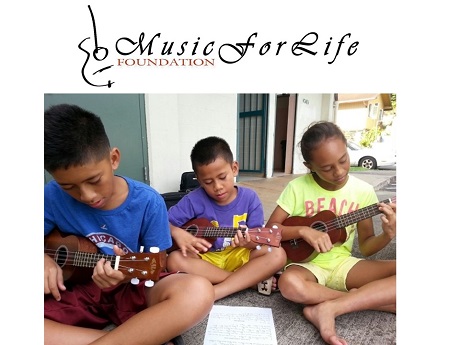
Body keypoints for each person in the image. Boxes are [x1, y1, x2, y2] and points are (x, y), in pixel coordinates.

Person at [44, 104, 214, 345]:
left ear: (113, 159)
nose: (87, 195)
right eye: (68, 187)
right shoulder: (50, 196)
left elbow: (158, 264)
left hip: (130, 284)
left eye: (94, 180)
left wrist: (123, 275)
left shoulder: (147, 201)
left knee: (197, 291)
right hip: (75, 290)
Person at [265, 121, 396, 345]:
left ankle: (330, 307)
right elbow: (270, 231)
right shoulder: (298, 188)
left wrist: (387, 235)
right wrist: (303, 231)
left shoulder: (363, 191)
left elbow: (366, 246)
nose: (339, 171)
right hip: (306, 266)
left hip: (343, 264)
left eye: (343, 160)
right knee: (289, 284)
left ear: (347, 149)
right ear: (310, 166)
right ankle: (367, 299)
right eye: (326, 168)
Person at [167, 136, 287, 301]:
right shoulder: (193, 200)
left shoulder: (250, 198)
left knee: (277, 253)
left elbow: (258, 241)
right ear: (198, 178)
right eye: (208, 182)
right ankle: (246, 281)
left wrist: (248, 242)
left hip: (238, 256)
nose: (217, 187)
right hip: (205, 260)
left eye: (222, 177)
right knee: (174, 259)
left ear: (234, 168)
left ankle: (218, 291)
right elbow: (162, 223)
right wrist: (177, 232)